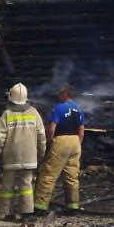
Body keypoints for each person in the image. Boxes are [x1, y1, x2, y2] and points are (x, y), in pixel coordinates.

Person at [0, 83, 46, 223]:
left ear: (11, 96)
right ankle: (26, 212)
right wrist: (41, 153)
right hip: (29, 156)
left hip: (10, 157)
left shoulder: (7, 114)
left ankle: (6, 212)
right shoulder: (34, 112)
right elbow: (41, 135)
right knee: (26, 186)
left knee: (7, 186)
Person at [33, 83, 84, 214]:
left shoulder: (58, 108)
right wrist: (78, 144)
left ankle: (40, 206)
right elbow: (81, 130)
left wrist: (49, 142)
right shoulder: (78, 109)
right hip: (75, 141)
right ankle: (73, 206)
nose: (58, 96)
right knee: (72, 176)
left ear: (64, 94)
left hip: (61, 140)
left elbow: (51, 128)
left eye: (60, 94)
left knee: (48, 174)